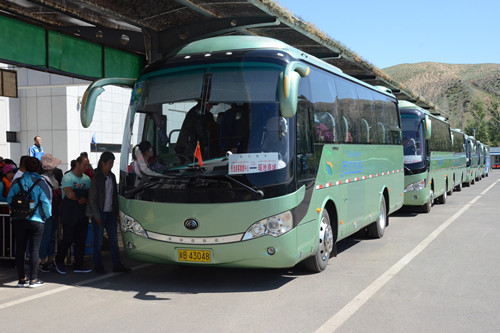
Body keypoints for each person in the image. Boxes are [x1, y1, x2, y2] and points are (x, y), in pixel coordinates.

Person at [7, 157, 52, 288]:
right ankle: (33, 279)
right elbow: (46, 202)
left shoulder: (16, 181)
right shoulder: (40, 182)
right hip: (36, 220)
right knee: (34, 250)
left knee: (20, 249)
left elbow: (10, 200)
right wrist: (47, 217)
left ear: (24, 167)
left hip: (18, 220)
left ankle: (21, 279)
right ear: (38, 168)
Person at [88, 151, 130, 273]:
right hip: (100, 214)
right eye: (110, 163)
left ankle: (117, 265)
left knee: (114, 241)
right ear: (103, 163)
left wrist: (116, 213)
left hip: (111, 213)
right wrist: (96, 216)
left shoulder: (112, 176)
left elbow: (114, 197)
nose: (111, 165)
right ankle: (98, 265)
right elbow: (92, 198)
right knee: (98, 242)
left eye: (112, 163)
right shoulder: (96, 177)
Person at [54, 155, 92, 274]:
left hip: (82, 212)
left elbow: (90, 194)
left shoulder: (87, 179)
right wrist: (79, 199)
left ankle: (79, 264)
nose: (87, 167)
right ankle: (59, 261)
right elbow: (69, 194)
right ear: (77, 164)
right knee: (68, 238)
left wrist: (84, 200)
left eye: (88, 165)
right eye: (85, 165)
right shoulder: (68, 177)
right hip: (70, 212)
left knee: (81, 239)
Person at [39, 154, 63, 272]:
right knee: (47, 236)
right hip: (47, 212)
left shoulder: (51, 177)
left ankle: (49, 259)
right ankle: (43, 261)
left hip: (53, 211)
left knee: (52, 236)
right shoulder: (43, 178)